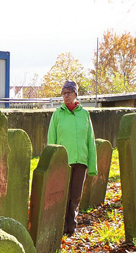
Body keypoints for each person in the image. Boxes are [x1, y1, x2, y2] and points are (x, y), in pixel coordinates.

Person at [48, 80, 97, 235]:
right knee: (63, 195)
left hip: (80, 161)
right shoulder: (58, 114)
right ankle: (60, 226)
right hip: (63, 162)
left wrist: (93, 165)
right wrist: (52, 162)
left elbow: (90, 140)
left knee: (75, 197)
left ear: (76, 94)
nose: (66, 96)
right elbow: (51, 138)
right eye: (64, 93)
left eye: (69, 93)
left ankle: (71, 227)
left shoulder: (84, 114)